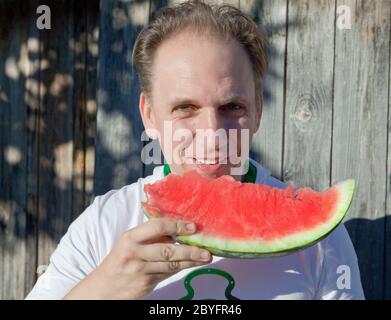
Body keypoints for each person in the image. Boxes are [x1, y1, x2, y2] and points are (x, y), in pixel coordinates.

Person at [26, 0, 364, 300]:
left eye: (232, 106)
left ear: (258, 110)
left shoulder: (322, 243)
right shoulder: (102, 226)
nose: (212, 135)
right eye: (185, 108)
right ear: (149, 115)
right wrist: (105, 290)